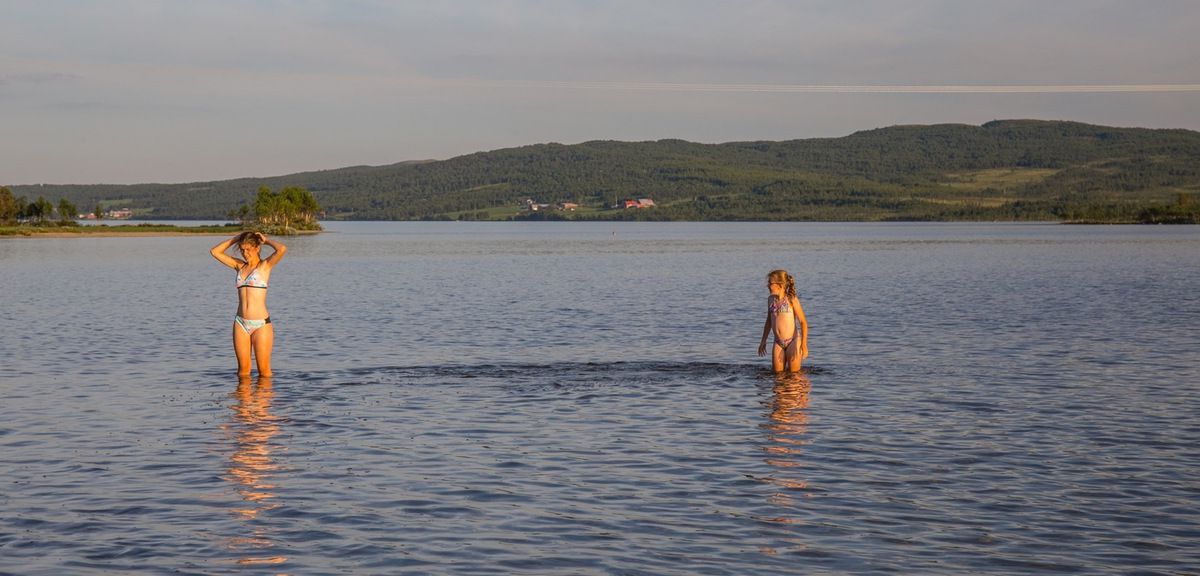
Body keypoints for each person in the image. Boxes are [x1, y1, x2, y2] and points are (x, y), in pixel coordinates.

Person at [210, 231, 287, 376]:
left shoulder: (265, 266)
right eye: (242, 250)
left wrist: (266, 240)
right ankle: (243, 399)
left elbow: (282, 249)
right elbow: (215, 252)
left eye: (248, 250)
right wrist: (236, 238)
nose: (245, 253)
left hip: (261, 324)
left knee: (264, 372)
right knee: (243, 371)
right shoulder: (239, 266)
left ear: (257, 248)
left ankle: (263, 398)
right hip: (240, 323)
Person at [758, 269, 809, 373]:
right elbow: (768, 322)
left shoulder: (791, 299)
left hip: (793, 341)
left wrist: (803, 344)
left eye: (770, 283)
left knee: (794, 378)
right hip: (778, 342)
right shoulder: (770, 299)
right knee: (777, 378)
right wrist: (763, 341)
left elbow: (803, 322)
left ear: (780, 285)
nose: (768, 285)